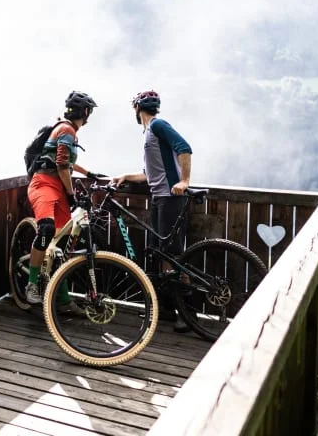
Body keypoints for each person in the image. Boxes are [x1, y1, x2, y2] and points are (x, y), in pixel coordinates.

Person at [110, 89, 193, 332]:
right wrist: (125, 176)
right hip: (159, 198)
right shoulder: (149, 133)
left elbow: (184, 147)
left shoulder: (158, 125)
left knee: (174, 256)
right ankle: (167, 308)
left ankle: (187, 314)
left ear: (137, 108)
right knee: (162, 254)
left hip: (170, 198)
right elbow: (149, 175)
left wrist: (184, 181)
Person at [25, 91, 99, 310]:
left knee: (63, 245)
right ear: (84, 112)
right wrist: (71, 194)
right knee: (46, 230)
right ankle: (31, 285)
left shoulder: (66, 129)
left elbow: (66, 159)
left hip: (55, 186)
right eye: (90, 111)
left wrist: (88, 173)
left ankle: (63, 297)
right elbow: (61, 165)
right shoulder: (67, 129)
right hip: (44, 185)